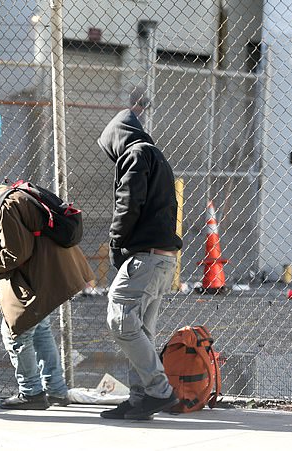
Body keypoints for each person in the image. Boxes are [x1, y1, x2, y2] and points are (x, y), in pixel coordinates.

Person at [0, 182, 95, 410]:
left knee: (14, 333)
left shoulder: (5, 206)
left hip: (42, 274)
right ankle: (56, 391)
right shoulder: (2, 198)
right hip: (48, 270)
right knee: (40, 330)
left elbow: (15, 254)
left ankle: (31, 393)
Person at [97, 96, 183, 420]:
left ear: (117, 139)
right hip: (163, 260)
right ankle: (140, 399)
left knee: (119, 318)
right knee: (141, 329)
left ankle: (159, 390)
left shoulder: (134, 154)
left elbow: (128, 202)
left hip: (145, 259)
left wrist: (116, 243)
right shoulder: (156, 156)